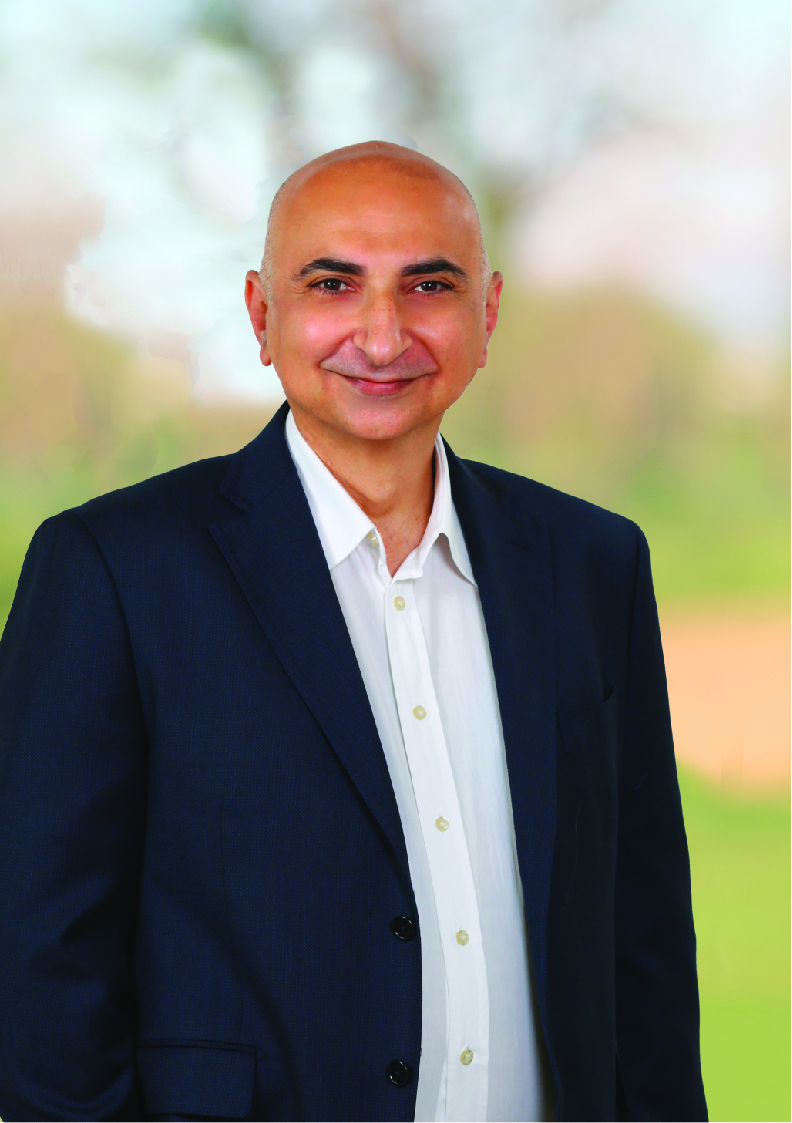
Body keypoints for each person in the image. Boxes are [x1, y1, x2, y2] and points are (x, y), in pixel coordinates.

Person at [0, 141, 707, 1122]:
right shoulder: (113, 570)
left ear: (487, 315)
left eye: (429, 285)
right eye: (333, 284)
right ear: (262, 315)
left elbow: (645, 936)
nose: (382, 335)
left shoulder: (593, 563)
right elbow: (36, 953)